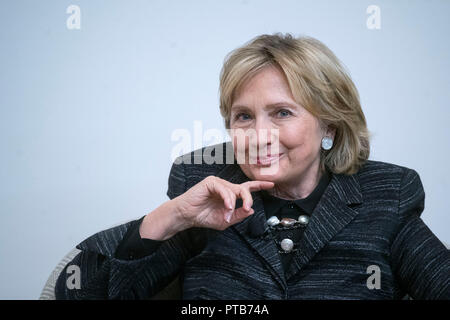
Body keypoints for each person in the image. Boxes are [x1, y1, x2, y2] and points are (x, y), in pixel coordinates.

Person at [55, 33, 449, 299]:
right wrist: (171, 217)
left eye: (281, 112)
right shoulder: (202, 187)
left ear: (329, 122)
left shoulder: (386, 194)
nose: (259, 135)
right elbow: (75, 291)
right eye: (244, 117)